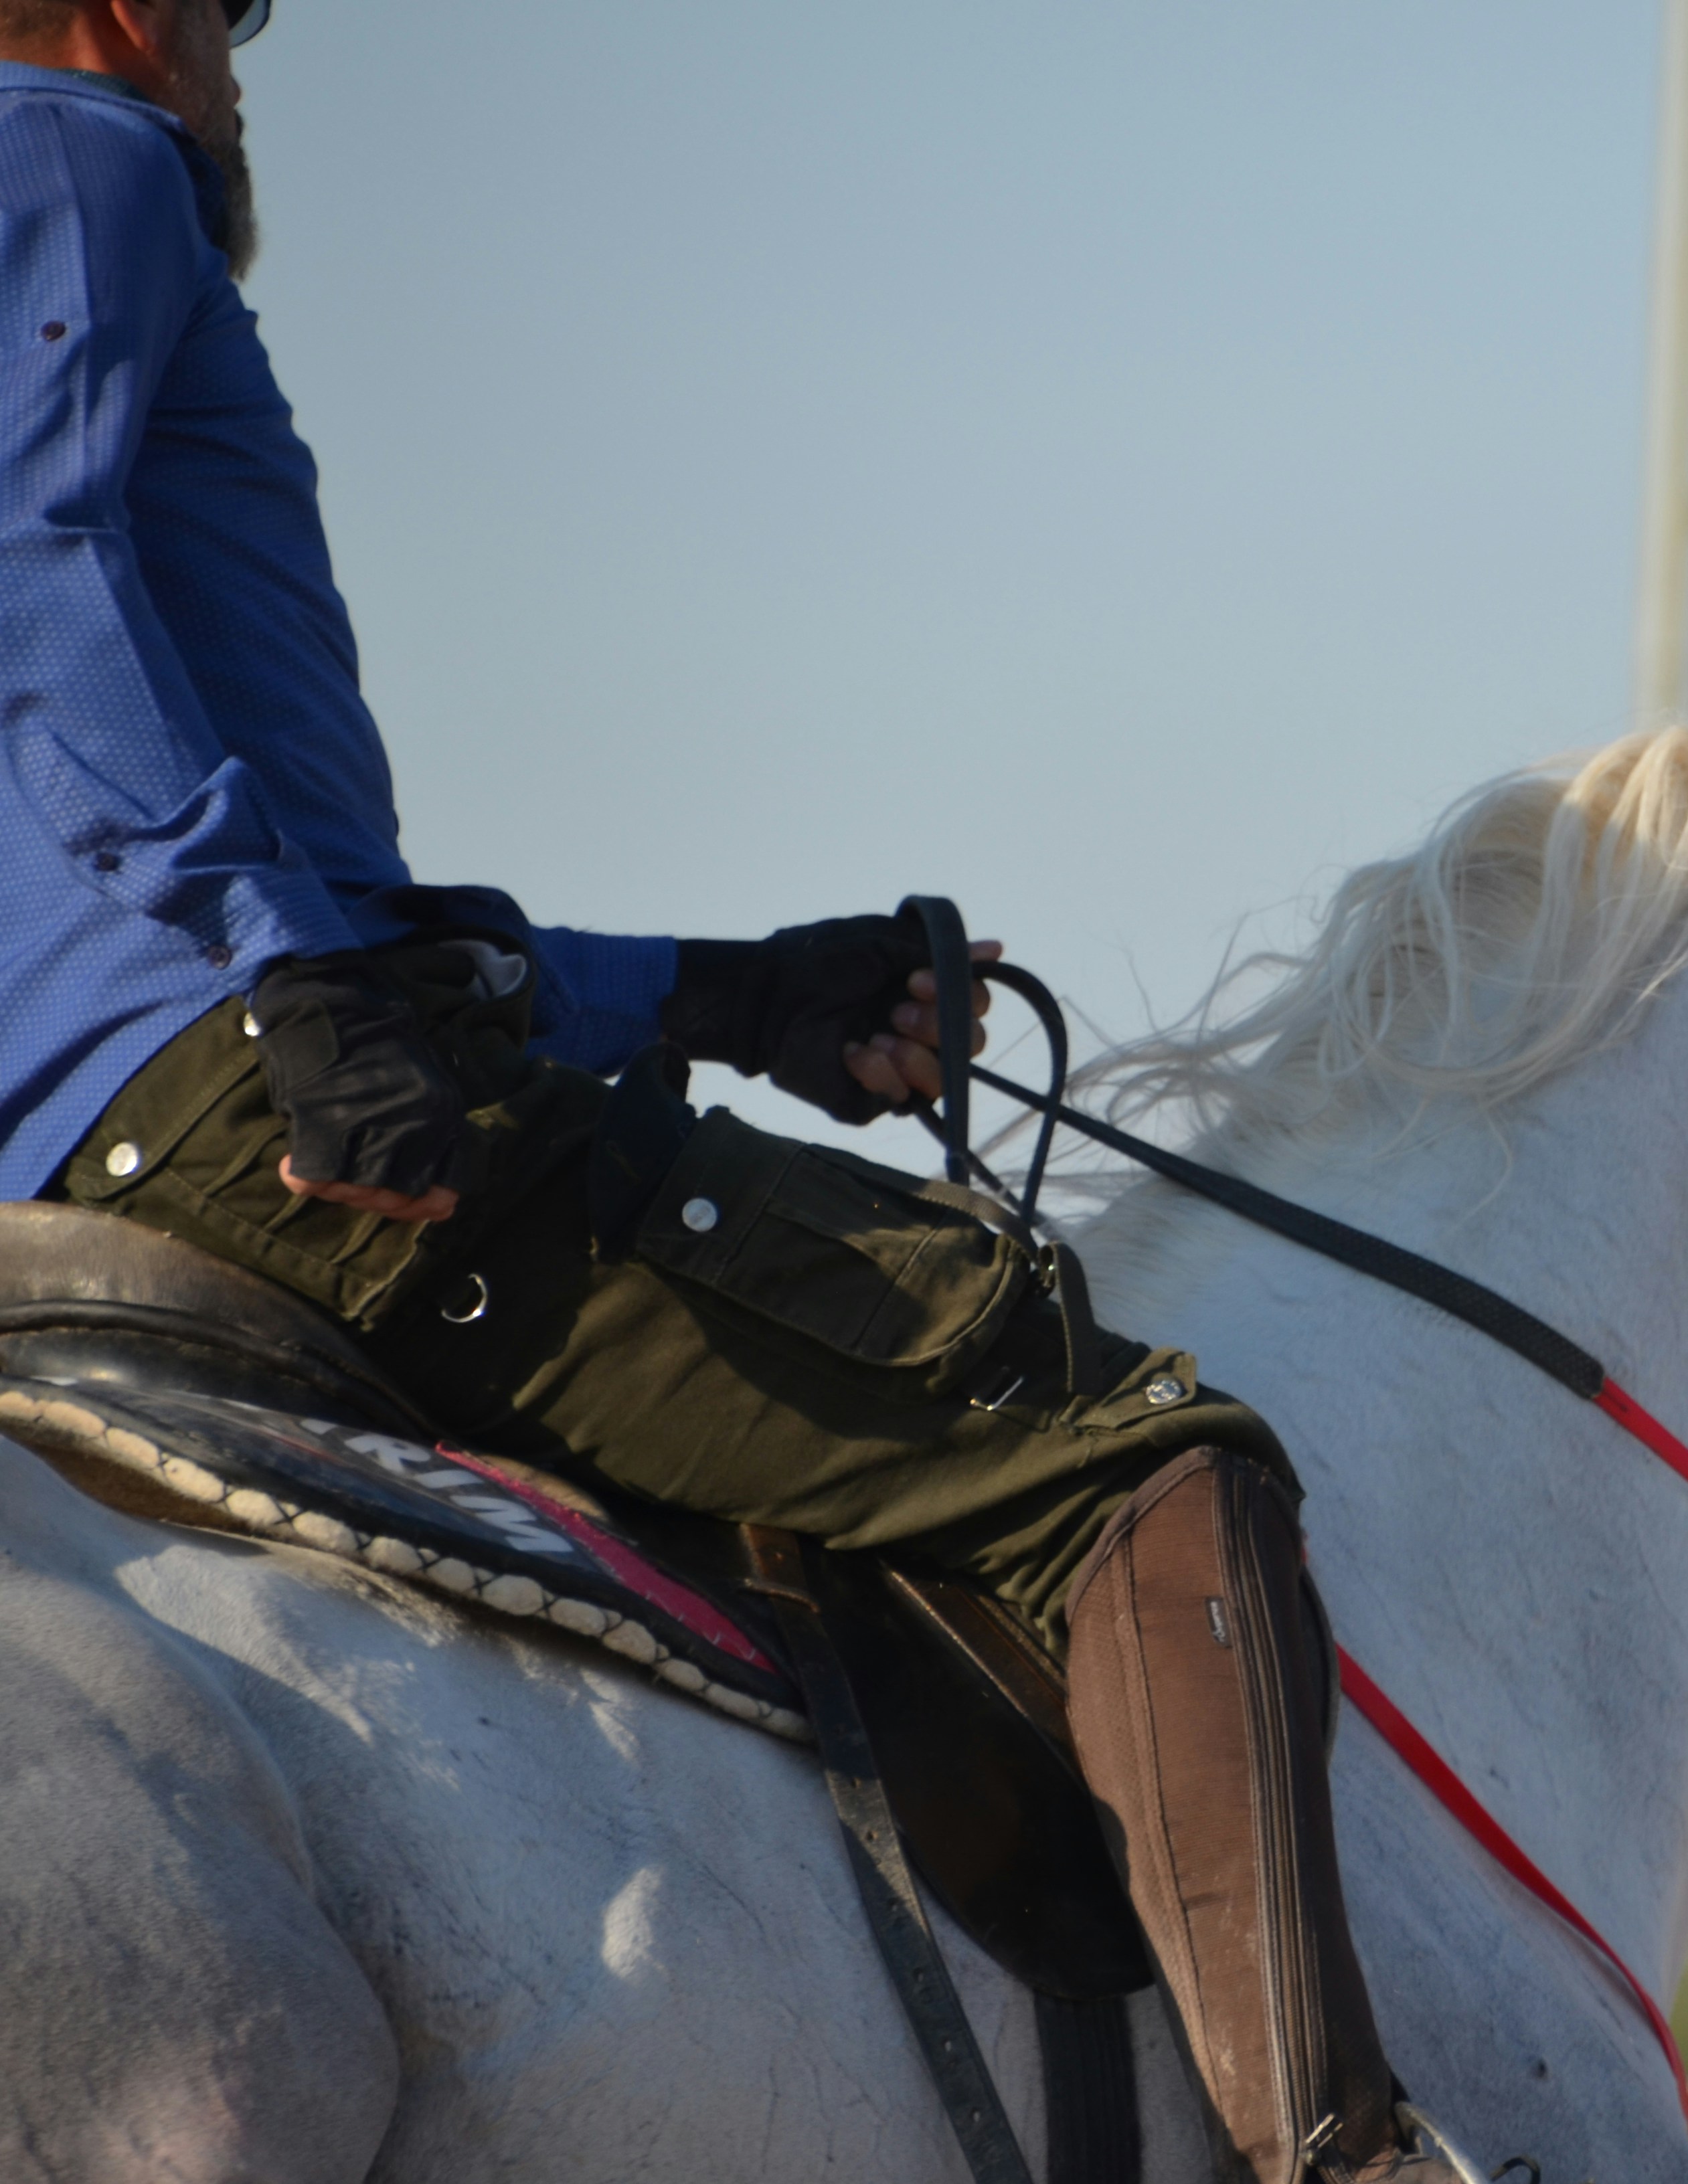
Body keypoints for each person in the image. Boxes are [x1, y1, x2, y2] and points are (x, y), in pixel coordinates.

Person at [0, 5, 1418, 2175]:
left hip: (123, 1134)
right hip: (230, 1112)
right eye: (233, 4)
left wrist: (732, 998)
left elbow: (364, 945)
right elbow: (41, 579)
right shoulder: (74, 143)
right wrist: (287, 973)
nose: (236, 52)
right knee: (1134, 1449)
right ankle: (1350, 2160)